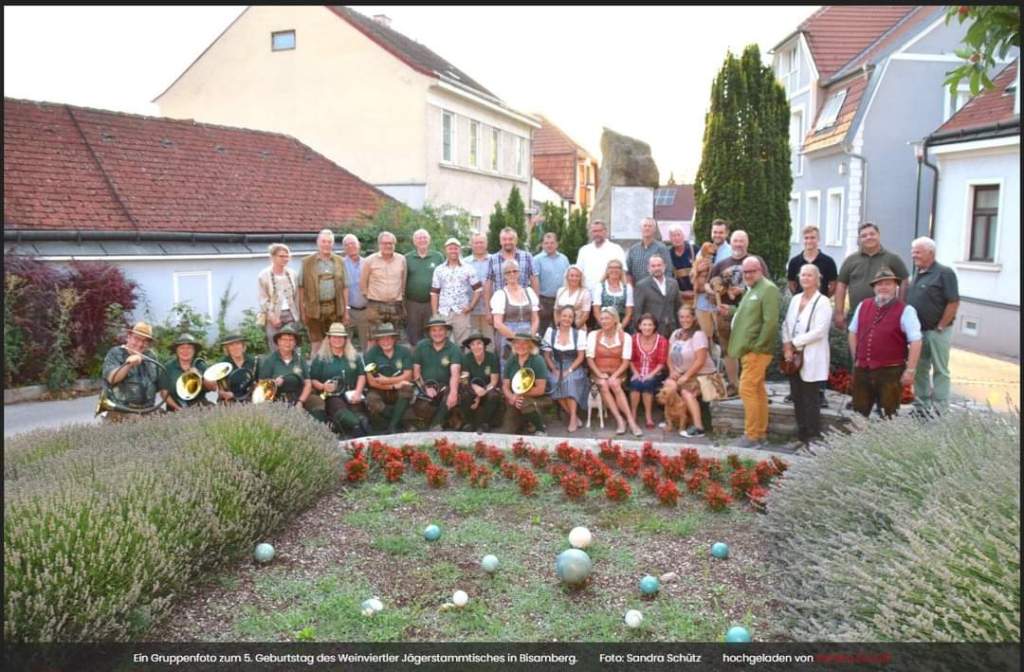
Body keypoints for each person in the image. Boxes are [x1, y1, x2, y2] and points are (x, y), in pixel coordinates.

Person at [848, 269, 923, 419]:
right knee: (858, 414)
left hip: (891, 372)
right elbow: (852, 332)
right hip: (863, 369)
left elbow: (916, 341)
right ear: (874, 287)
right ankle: (860, 435)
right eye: (879, 284)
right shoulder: (863, 305)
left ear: (895, 286)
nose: (883, 287)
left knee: (889, 415)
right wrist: (856, 357)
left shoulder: (906, 310)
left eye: (888, 284)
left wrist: (910, 370)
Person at [722, 256, 780, 448]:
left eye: (751, 271)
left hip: (756, 351)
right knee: (757, 390)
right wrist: (731, 311)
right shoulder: (752, 289)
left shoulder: (768, 289)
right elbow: (747, 313)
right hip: (749, 350)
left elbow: (770, 322)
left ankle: (751, 436)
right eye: (745, 272)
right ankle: (760, 434)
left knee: (746, 389)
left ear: (760, 270)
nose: (747, 275)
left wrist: (758, 346)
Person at [782, 264, 833, 454]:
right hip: (793, 357)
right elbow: (786, 324)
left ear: (817, 279)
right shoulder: (795, 299)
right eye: (803, 275)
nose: (805, 278)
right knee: (796, 396)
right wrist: (786, 345)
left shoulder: (823, 302)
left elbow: (820, 331)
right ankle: (801, 435)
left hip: (812, 355)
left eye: (809, 275)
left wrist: (794, 343)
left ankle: (813, 438)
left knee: (810, 398)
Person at [710, 230, 769, 394]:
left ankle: (752, 385)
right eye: (735, 241)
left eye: (742, 241)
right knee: (728, 350)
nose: (738, 244)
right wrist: (716, 293)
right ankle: (734, 385)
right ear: (731, 242)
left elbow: (766, 286)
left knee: (751, 351)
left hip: (751, 313)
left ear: (747, 243)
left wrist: (742, 291)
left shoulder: (756, 262)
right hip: (725, 314)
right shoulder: (721, 264)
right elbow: (710, 285)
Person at [907, 237, 959, 417]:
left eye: (918, 252)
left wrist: (941, 325)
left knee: (940, 370)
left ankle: (940, 409)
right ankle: (921, 407)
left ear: (931, 253)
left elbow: (953, 302)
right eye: (913, 251)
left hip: (937, 331)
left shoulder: (944, 273)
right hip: (918, 333)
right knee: (920, 369)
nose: (914, 255)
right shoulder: (917, 272)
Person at [834, 222, 909, 330]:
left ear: (878, 235)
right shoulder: (850, 260)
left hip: (886, 315)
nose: (868, 237)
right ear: (859, 239)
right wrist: (839, 313)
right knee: (854, 340)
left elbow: (904, 281)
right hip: (856, 315)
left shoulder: (892, 258)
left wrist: (901, 306)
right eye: (864, 236)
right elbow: (841, 286)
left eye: (872, 234)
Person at [587, 307, 642, 437]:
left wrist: (615, 375)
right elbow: (589, 359)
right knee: (604, 384)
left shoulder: (625, 337)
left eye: (607, 318)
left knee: (614, 384)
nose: (604, 321)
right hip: (598, 371)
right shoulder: (594, 335)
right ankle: (620, 420)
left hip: (618, 371)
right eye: (602, 319)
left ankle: (631, 421)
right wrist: (599, 374)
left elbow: (626, 361)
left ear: (615, 320)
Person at [663, 305, 717, 437]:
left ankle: (698, 427)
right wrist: (672, 371)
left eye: (688, 317)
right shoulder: (676, 334)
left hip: (703, 375)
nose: (684, 320)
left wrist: (686, 376)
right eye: (681, 317)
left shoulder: (698, 335)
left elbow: (700, 361)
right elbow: (668, 357)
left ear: (693, 318)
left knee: (686, 392)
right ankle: (672, 418)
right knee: (669, 386)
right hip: (682, 373)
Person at [308, 323, 370, 437]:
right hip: (332, 397)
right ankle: (346, 427)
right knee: (353, 421)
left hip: (352, 395)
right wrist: (323, 386)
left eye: (341, 337)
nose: (338, 339)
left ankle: (354, 431)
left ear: (345, 339)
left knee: (363, 422)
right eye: (334, 337)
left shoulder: (354, 356)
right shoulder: (320, 358)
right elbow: (313, 379)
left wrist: (358, 392)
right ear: (329, 339)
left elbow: (361, 375)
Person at [298, 229, 348, 356]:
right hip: (314, 310)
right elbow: (301, 288)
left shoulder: (340, 261)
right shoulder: (306, 262)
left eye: (329, 242)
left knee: (335, 343)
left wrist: (346, 311)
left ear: (333, 244)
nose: (326, 244)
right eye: (324, 241)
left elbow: (345, 287)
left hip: (335, 309)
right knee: (316, 344)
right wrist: (302, 312)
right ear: (318, 243)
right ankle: (316, 367)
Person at [100, 321, 161, 422]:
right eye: (137, 338)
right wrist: (128, 365)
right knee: (137, 421)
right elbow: (112, 378)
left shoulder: (151, 356)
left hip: (147, 410)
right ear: (129, 337)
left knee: (168, 418)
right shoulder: (115, 353)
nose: (140, 344)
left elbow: (160, 383)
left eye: (145, 341)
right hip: (119, 410)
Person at [542, 305, 589, 433]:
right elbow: (547, 356)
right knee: (554, 380)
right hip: (556, 365)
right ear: (559, 317)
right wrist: (554, 369)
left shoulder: (579, 334)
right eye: (564, 316)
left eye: (570, 317)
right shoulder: (551, 333)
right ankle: (574, 416)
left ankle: (572, 418)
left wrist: (569, 370)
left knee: (570, 381)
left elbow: (580, 357)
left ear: (573, 319)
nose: (567, 319)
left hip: (574, 366)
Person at [412, 314, 462, 430]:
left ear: (446, 332)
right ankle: (443, 420)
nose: (437, 333)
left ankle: (436, 425)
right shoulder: (421, 346)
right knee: (419, 404)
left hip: (445, 387)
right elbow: (416, 372)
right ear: (429, 332)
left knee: (451, 394)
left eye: (441, 330)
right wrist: (425, 388)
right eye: (434, 330)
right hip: (425, 385)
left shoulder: (454, 349)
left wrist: (453, 393)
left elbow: (455, 374)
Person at [363, 322, 414, 434]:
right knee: (371, 398)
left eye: (389, 338)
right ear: (377, 341)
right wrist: (393, 385)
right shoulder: (371, 354)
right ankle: (400, 421)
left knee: (407, 388)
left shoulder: (404, 351)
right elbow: (372, 382)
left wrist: (387, 380)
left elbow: (408, 375)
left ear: (394, 339)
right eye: (382, 339)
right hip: (379, 389)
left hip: (398, 388)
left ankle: (392, 426)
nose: (386, 342)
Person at [490, 259, 540, 372]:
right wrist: (516, 339)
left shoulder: (529, 292)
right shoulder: (500, 295)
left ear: (519, 273)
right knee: (510, 368)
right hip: (508, 338)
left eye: (514, 271)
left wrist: (530, 337)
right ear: (504, 275)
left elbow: (535, 319)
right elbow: (497, 323)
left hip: (528, 335)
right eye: (508, 272)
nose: (512, 274)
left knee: (529, 367)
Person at [431, 237, 482, 347]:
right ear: (445, 250)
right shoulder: (439, 269)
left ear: (459, 250)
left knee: (463, 343)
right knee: (442, 342)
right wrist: (435, 314)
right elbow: (434, 293)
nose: (453, 251)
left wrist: (471, 306)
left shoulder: (468, 268)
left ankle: (461, 358)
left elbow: (478, 289)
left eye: (456, 248)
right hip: (444, 312)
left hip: (461, 312)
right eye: (450, 248)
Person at [501, 333, 550, 436]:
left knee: (524, 402)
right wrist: (511, 397)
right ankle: (527, 421)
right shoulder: (511, 360)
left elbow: (541, 389)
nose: (520, 346)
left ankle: (541, 429)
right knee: (508, 431)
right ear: (513, 345)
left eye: (524, 343)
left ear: (530, 345)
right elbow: (505, 386)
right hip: (515, 398)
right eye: (517, 343)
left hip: (537, 398)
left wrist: (518, 394)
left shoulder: (538, 360)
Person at [361, 231, 407, 340]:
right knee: (373, 338)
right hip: (375, 306)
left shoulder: (401, 260)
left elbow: (403, 281)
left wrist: (400, 297)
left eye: (390, 243)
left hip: (395, 305)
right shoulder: (369, 261)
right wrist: (369, 297)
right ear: (379, 244)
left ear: (394, 244)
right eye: (385, 243)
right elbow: (363, 284)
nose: (388, 246)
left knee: (394, 338)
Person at [405, 228, 444, 346]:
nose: (422, 240)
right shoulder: (407, 258)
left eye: (424, 237)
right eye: (419, 238)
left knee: (432, 332)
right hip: (413, 303)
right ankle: (415, 356)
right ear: (414, 241)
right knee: (413, 334)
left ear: (429, 240)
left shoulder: (438, 257)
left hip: (432, 303)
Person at [629, 313, 669, 430]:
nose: (647, 327)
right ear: (639, 326)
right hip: (637, 371)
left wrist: (650, 375)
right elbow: (630, 359)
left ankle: (648, 416)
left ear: (654, 326)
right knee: (636, 384)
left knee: (647, 383)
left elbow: (661, 363)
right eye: (644, 325)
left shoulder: (661, 340)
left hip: (655, 372)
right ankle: (633, 414)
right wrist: (636, 373)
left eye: (650, 325)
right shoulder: (633, 339)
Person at [257, 243, 300, 352]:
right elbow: (263, 298)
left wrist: (299, 315)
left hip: (291, 314)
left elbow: (297, 296)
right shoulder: (264, 275)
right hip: (273, 315)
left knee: (292, 345)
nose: (285, 259)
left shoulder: (293, 274)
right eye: (281, 256)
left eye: (287, 256)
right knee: (275, 345)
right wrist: (271, 316)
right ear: (272, 257)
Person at [256, 324, 311, 406]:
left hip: (298, 399)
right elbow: (261, 386)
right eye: (284, 339)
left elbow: (308, 384)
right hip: (276, 402)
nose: (287, 343)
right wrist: (273, 383)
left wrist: (301, 401)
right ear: (278, 342)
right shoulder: (270, 361)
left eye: (291, 340)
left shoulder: (300, 360)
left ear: (295, 343)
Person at [459, 332, 501, 433]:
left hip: (487, 388)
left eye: (479, 343)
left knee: (493, 395)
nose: (476, 347)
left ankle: (485, 424)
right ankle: (468, 423)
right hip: (472, 388)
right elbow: (464, 380)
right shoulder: (466, 358)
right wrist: (474, 388)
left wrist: (482, 393)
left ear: (484, 345)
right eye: (472, 344)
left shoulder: (492, 358)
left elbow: (494, 382)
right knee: (465, 394)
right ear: (469, 347)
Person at [159, 333, 210, 412]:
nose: (185, 351)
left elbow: (213, 388)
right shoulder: (168, 367)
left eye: (189, 348)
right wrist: (178, 409)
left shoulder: (200, 365)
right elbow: (164, 393)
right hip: (175, 409)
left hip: (200, 407)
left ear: (194, 350)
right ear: (176, 350)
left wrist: (199, 376)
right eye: (181, 348)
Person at [633, 255, 681, 337]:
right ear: (648, 268)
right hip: (652, 330)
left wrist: (680, 328)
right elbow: (638, 311)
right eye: (653, 266)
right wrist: (639, 332)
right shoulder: (641, 285)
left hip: (672, 329)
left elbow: (678, 307)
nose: (656, 268)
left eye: (659, 265)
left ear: (664, 266)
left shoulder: (673, 283)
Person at [575, 219, 626, 297]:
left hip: (609, 296)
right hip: (587, 296)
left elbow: (623, 272)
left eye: (599, 231)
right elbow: (578, 273)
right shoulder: (584, 250)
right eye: (594, 231)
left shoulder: (616, 249)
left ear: (605, 232)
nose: (597, 234)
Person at [534, 232, 570, 336]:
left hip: (561, 301)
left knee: (559, 330)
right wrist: (537, 301)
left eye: (552, 243)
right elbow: (534, 281)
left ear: (557, 244)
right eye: (546, 243)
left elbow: (568, 278)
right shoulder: (537, 260)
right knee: (541, 332)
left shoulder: (564, 259)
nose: (549, 245)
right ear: (542, 244)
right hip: (544, 301)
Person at [787, 225, 837, 297]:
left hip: (820, 302)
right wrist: (799, 297)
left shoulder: (828, 262)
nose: (809, 241)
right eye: (806, 238)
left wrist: (823, 298)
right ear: (803, 240)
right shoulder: (794, 262)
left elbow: (833, 285)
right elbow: (791, 284)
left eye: (812, 238)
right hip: (800, 301)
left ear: (818, 239)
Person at [464, 233, 495, 348]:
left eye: (481, 242)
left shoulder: (495, 260)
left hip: (490, 310)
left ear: (487, 244)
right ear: (471, 245)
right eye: (476, 243)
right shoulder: (464, 263)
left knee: (490, 342)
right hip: (470, 310)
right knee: (471, 342)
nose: (479, 245)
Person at [341, 234, 371, 350]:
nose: (350, 246)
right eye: (347, 245)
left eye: (353, 243)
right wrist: (344, 311)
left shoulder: (367, 263)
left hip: (365, 310)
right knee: (344, 345)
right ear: (344, 248)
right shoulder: (340, 264)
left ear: (359, 245)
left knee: (367, 345)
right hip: (347, 311)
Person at [626, 217, 672, 285]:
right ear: (641, 228)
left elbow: (668, 271)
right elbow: (628, 272)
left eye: (650, 226)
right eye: (645, 226)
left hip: (656, 288)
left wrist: (664, 287)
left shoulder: (662, 248)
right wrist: (631, 287)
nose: (647, 228)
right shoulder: (633, 249)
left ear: (654, 229)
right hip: (637, 288)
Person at [591, 259, 634, 330]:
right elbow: (596, 311)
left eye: (617, 267)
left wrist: (620, 328)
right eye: (611, 267)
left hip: (621, 326)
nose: (614, 270)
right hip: (602, 326)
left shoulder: (627, 287)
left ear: (621, 270)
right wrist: (604, 326)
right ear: (607, 270)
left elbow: (629, 313)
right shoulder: (600, 286)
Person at [215, 333, 258, 404]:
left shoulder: (254, 361)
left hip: (252, 398)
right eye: (231, 345)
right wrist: (223, 393)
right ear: (227, 348)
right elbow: (216, 388)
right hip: (230, 401)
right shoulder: (222, 364)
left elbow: (260, 380)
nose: (235, 347)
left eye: (238, 343)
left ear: (243, 346)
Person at [554, 264, 592, 330]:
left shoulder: (585, 293)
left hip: (578, 328)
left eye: (577, 276)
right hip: (560, 328)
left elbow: (585, 315)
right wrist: (558, 326)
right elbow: (556, 310)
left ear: (581, 278)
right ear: (567, 277)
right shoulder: (560, 290)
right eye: (571, 276)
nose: (574, 278)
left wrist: (574, 329)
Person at [667, 224, 698, 304]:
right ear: (670, 238)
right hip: (678, 297)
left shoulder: (694, 249)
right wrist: (681, 293)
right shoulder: (668, 254)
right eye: (673, 236)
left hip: (697, 295)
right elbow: (667, 279)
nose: (676, 238)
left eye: (678, 235)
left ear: (684, 236)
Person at [692, 247, 717, 341]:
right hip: (701, 303)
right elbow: (693, 277)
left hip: (714, 302)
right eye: (710, 248)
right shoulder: (699, 258)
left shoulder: (714, 260)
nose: (712, 250)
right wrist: (698, 271)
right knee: (706, 335)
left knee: (720, 332)